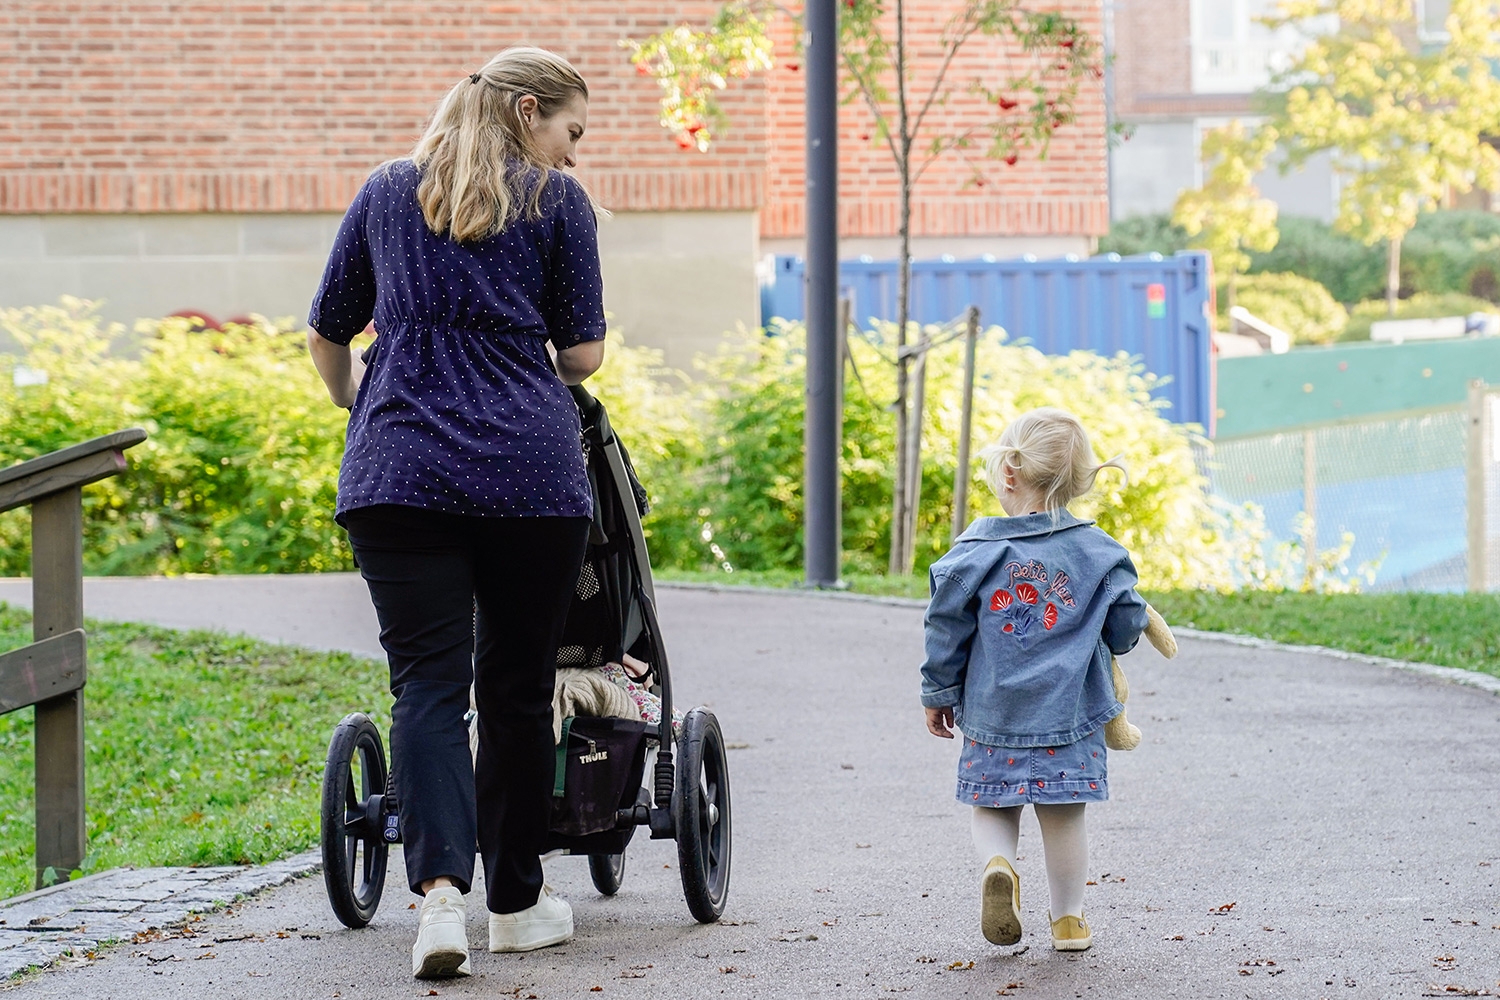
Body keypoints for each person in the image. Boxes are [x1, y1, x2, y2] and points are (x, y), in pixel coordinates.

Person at [306, 47, 605, 979]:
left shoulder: (389, 190)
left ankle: (437, 901)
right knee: (515, 691)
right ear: (527, 112)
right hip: (528, 473)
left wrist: (370, 404)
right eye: (570, 131)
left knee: (427, 687)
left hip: (399, 475)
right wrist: (515, 372)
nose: (572, 154)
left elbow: (327, 329)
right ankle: (515, 905)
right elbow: (585, 353)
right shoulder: (558, 206)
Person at [919, 407, 1148, 952]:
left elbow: (944, 627)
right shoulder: (1099, 552)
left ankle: (999, 865)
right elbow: (1128, 621)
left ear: (1009, 473)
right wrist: (1114, 640)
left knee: (992, 807)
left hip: (994, 714)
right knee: (1065, 820)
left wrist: (938, 692)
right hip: (1071, 715)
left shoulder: (973, 552)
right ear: (1076, 483)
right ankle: (1068, 921)